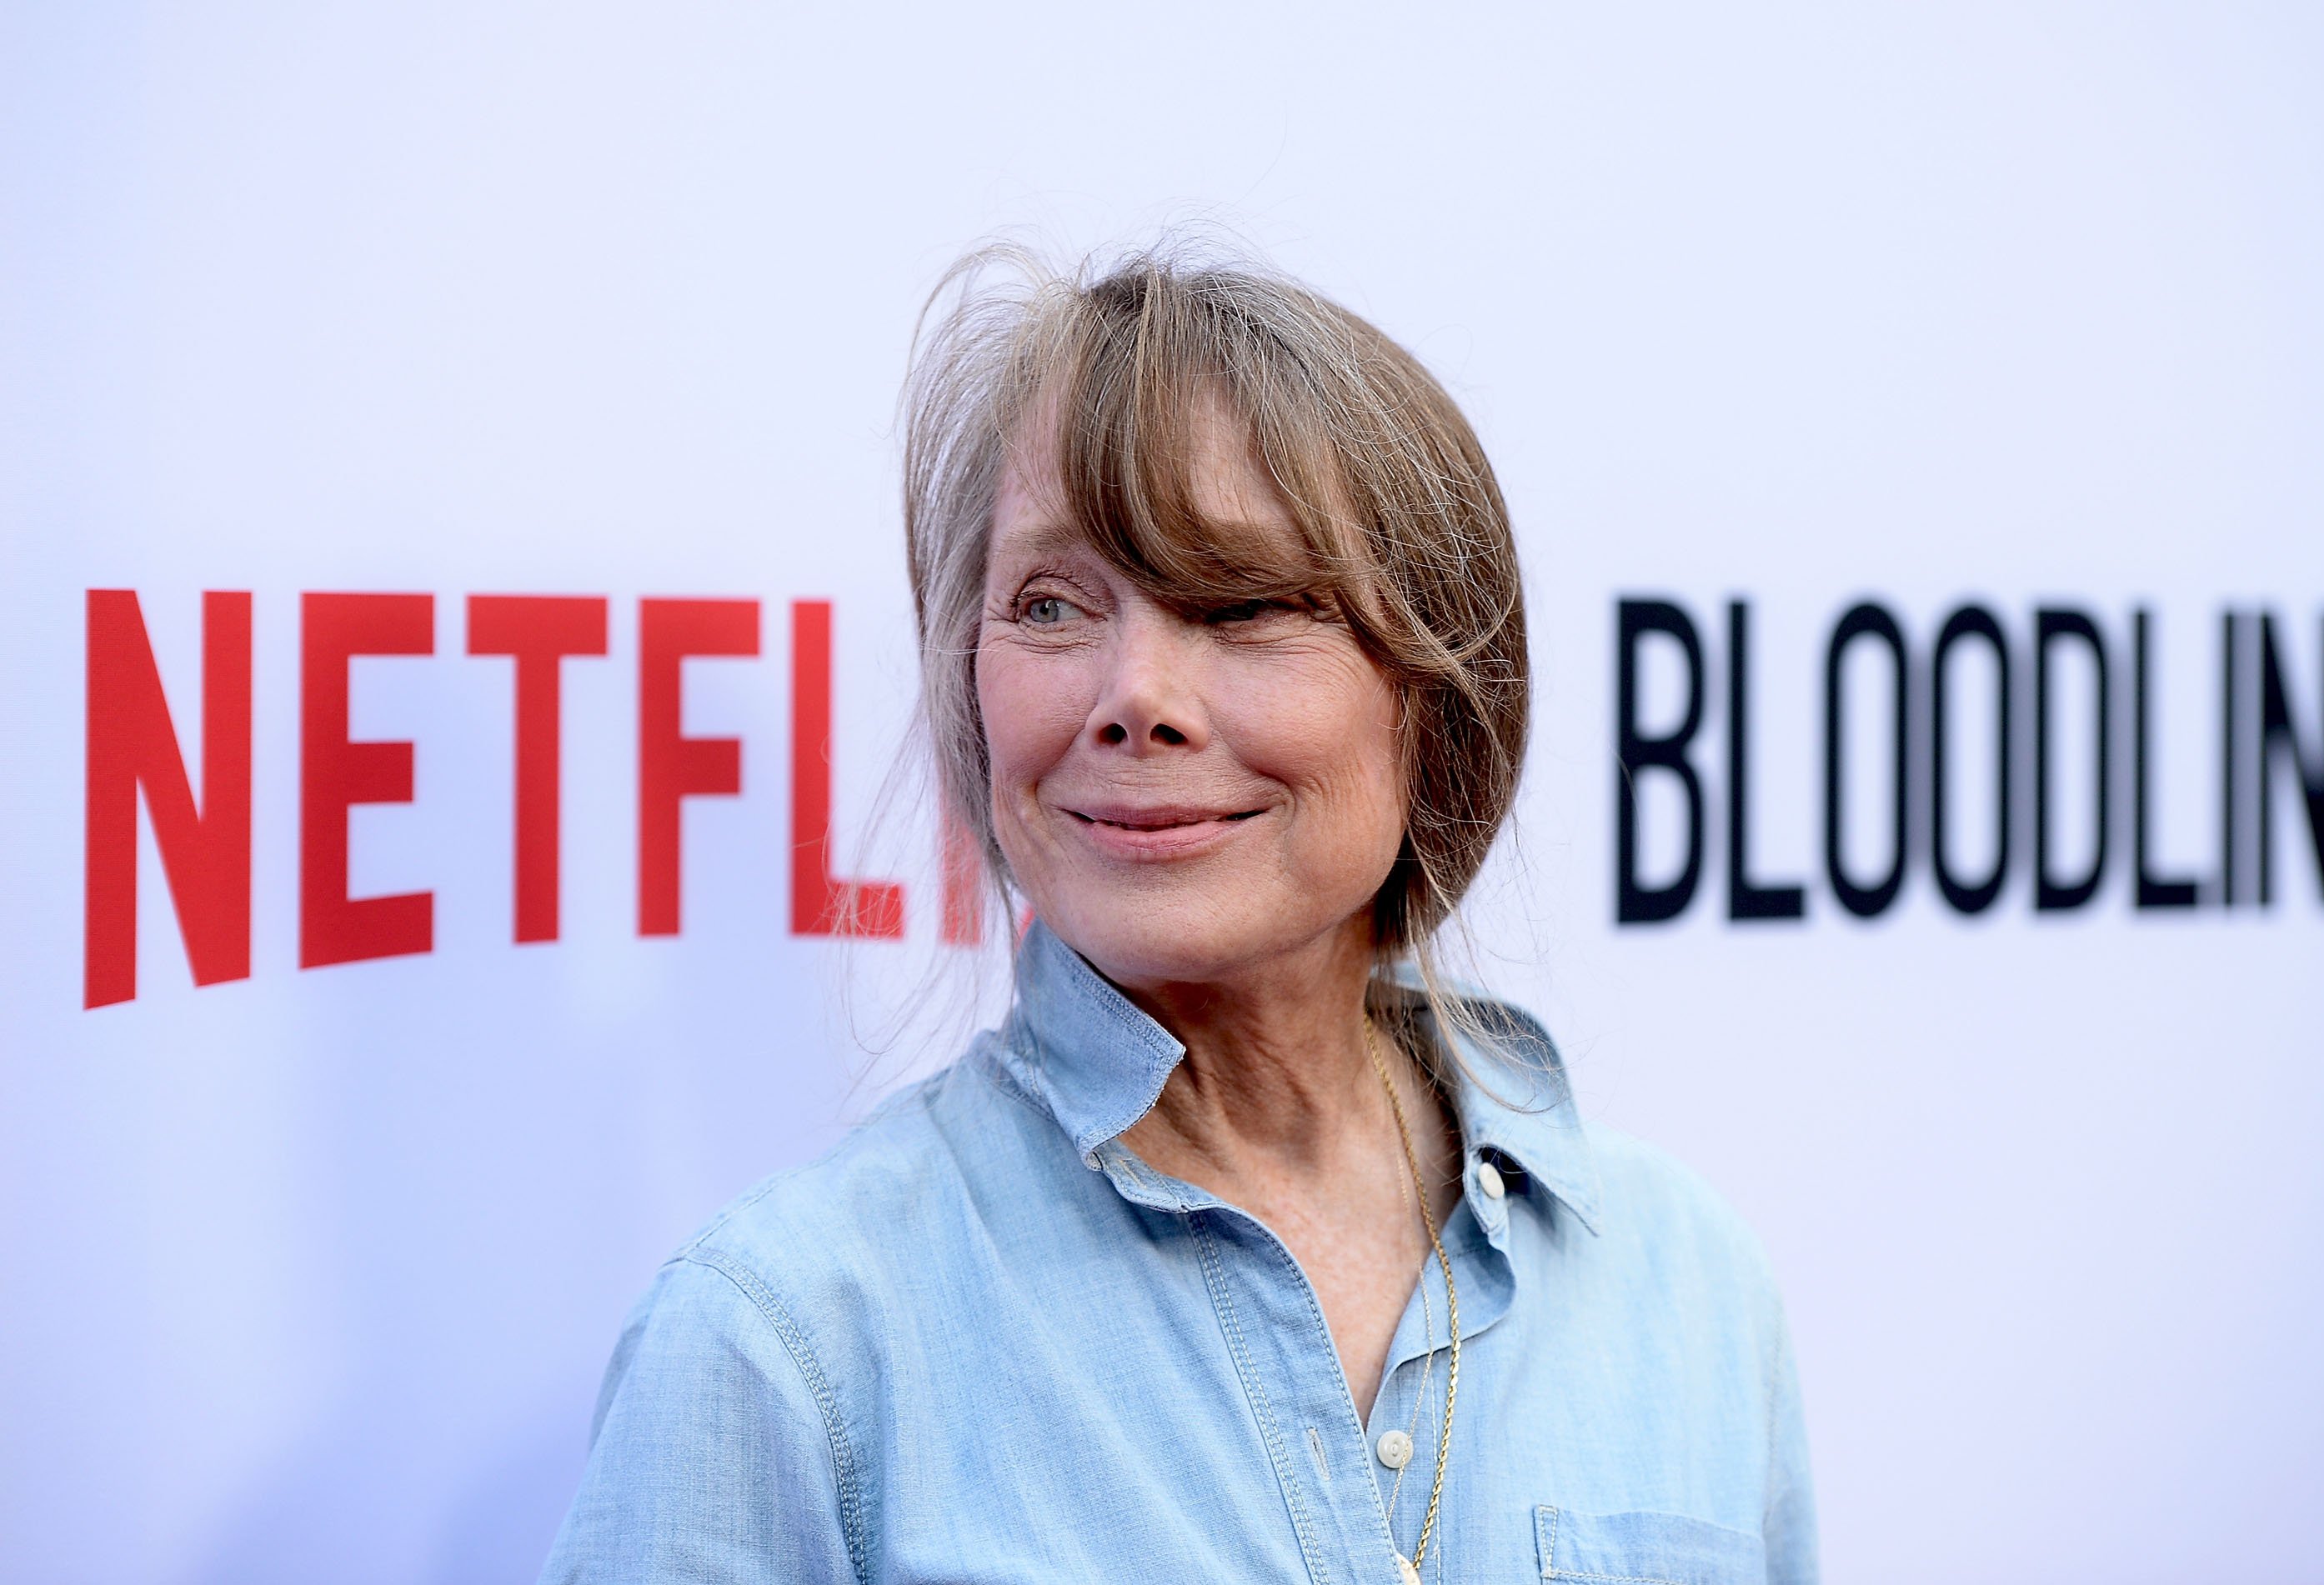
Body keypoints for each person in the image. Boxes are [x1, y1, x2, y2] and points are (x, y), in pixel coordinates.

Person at [540, 240, 1816, 1584]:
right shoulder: (784, 1345)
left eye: (1245, 602)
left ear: (1435, 697)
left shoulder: (1690, 1289)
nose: (1133, 692)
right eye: (1049, 604)